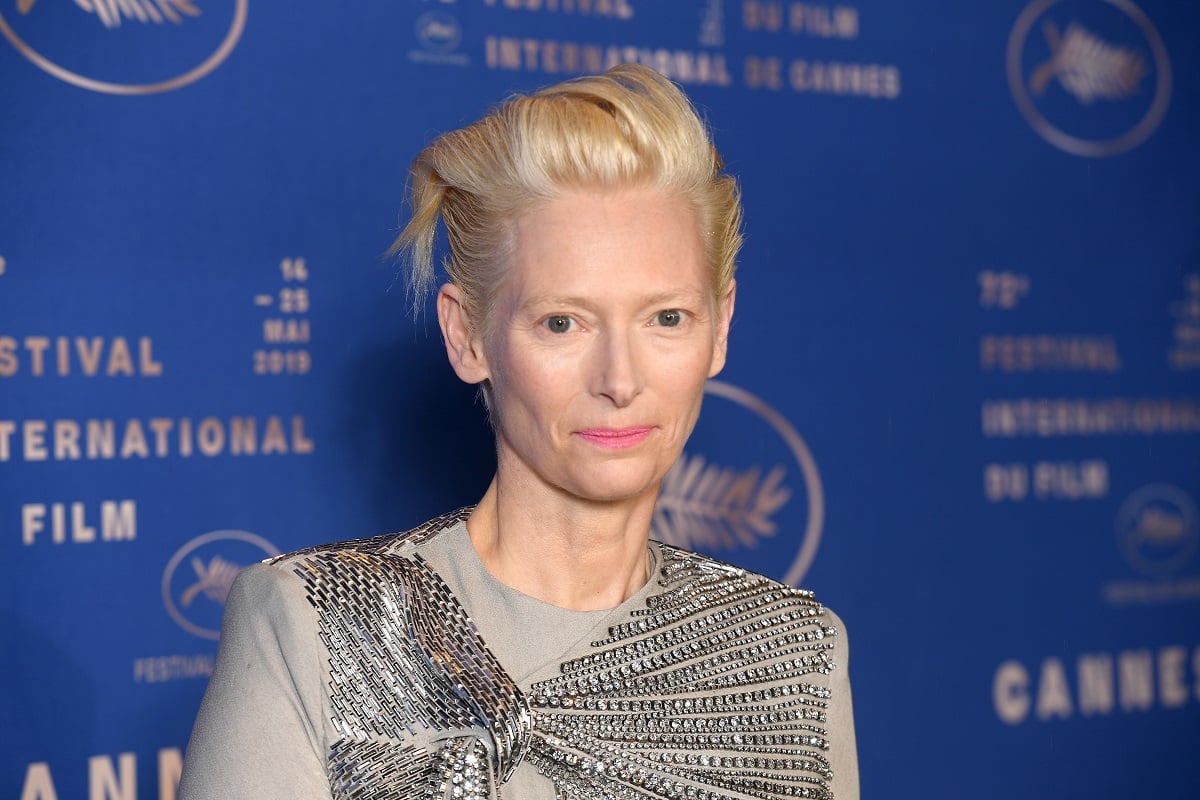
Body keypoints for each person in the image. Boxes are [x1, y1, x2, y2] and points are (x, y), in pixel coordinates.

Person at [178, 64, 858, 800]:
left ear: (720, 329)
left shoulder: (789, 657)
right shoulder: (315, 626)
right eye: (561, 322)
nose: (620, 381)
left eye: (667, 318)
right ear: (468, 335)